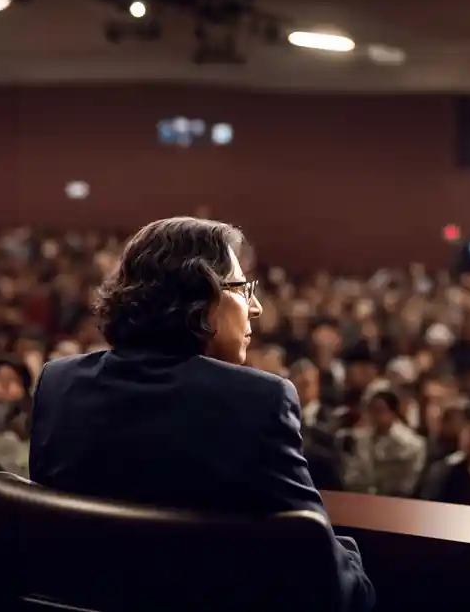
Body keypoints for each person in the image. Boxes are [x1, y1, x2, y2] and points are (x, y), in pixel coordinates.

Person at [29, 217, 373, 612]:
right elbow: (332, 587)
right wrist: (350, 558)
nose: (256, 308)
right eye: (242, 290)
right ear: (198, 299)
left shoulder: (58, 384)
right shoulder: (261, 401)